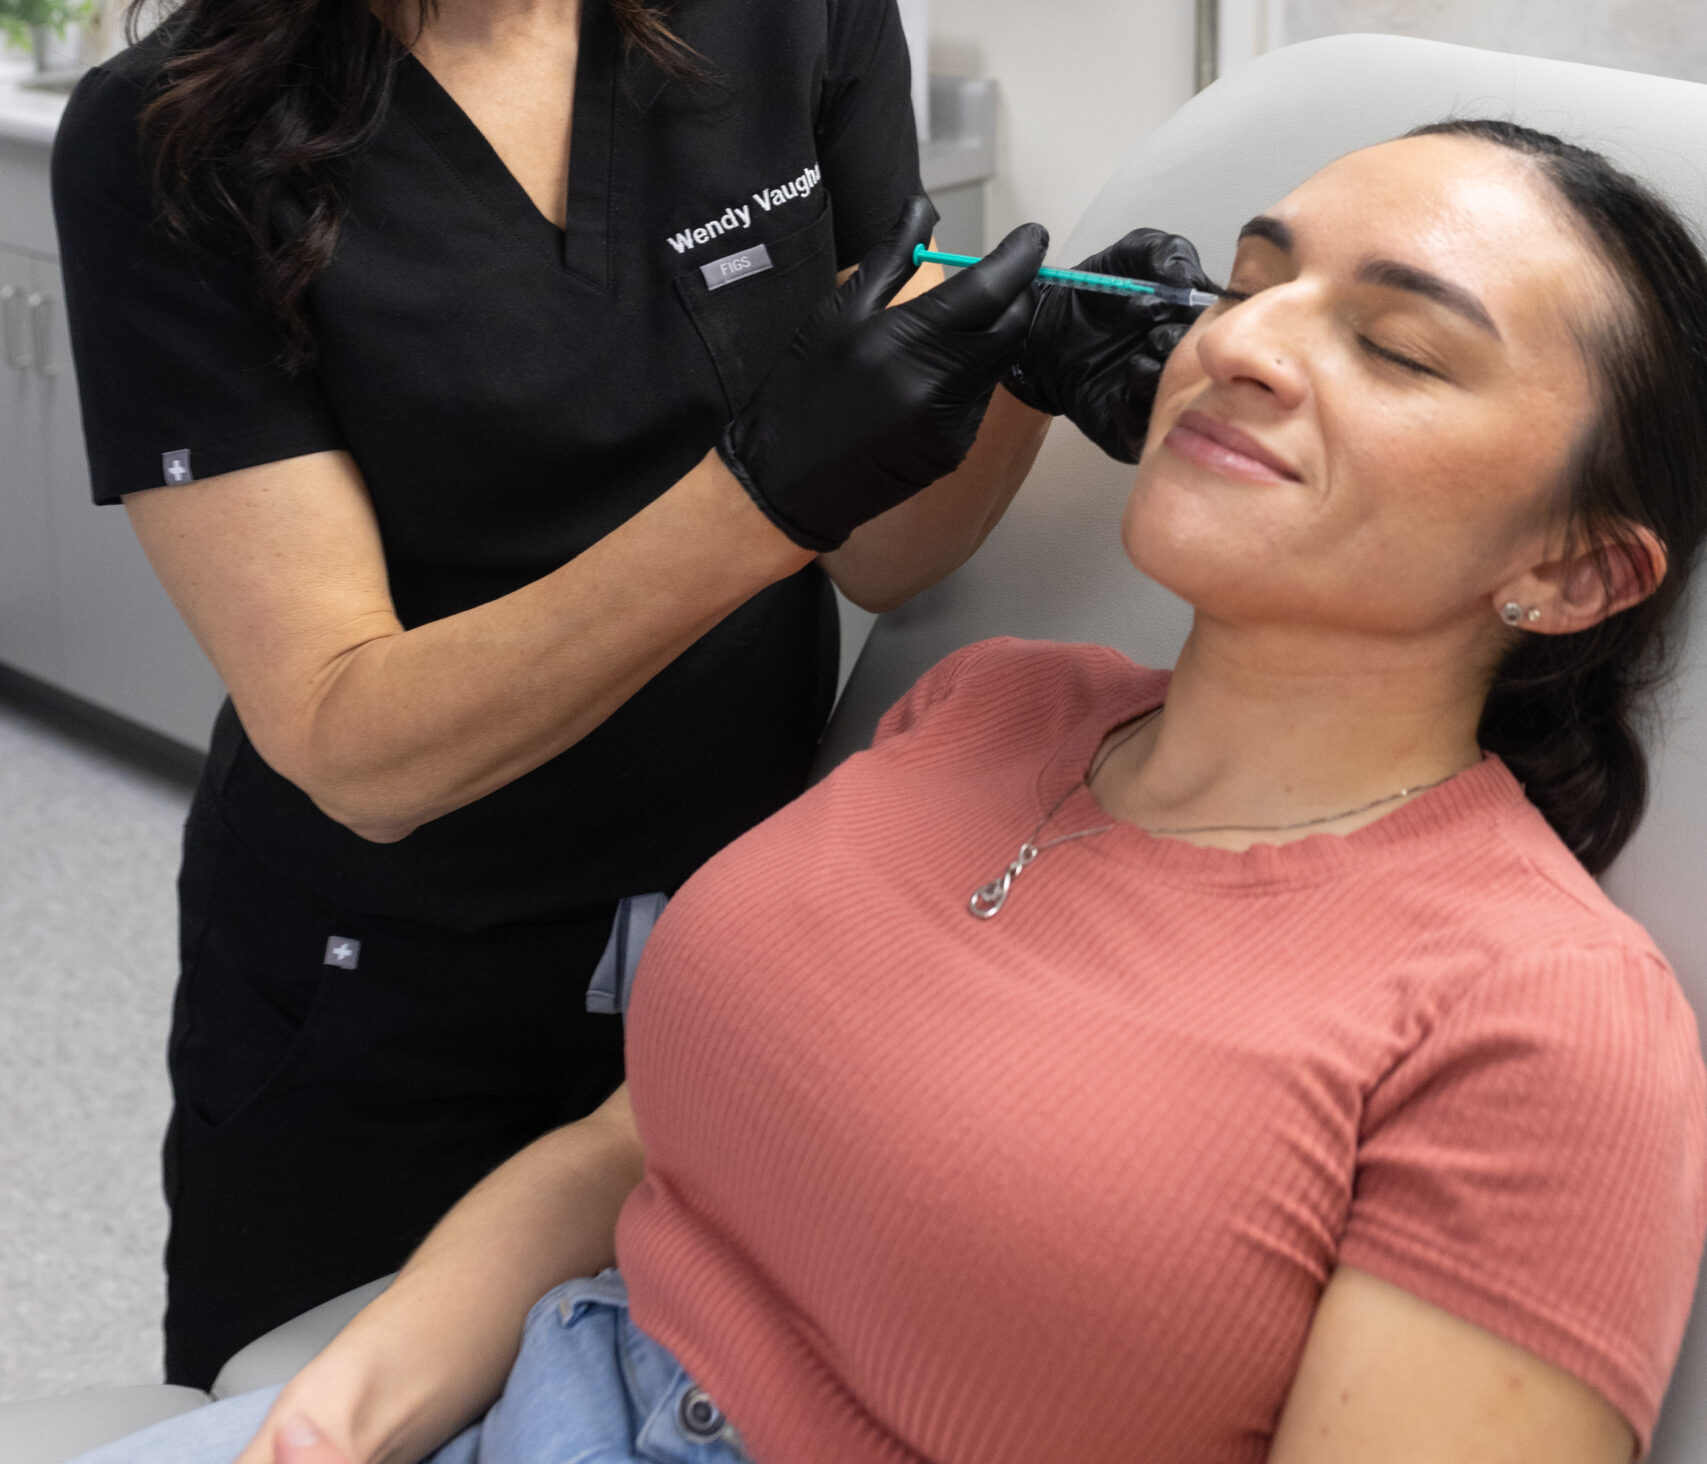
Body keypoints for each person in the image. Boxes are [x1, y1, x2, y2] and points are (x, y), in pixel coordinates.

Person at [49, 0, 1202, 1387]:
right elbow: (354, 736)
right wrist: (764, 481)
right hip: (382, 986)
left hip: (746, 941)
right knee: (333, 1398)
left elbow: (879, 552)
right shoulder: (183, 147)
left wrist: (1009, 368)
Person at [81, 117, 1707, 1464]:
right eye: (1254, 281)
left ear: (1570, 574)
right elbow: (635, 1150)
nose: (1243, 345)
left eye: (1399, 347)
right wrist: (331, 1426)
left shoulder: (1535, 1023)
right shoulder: (989, 702)